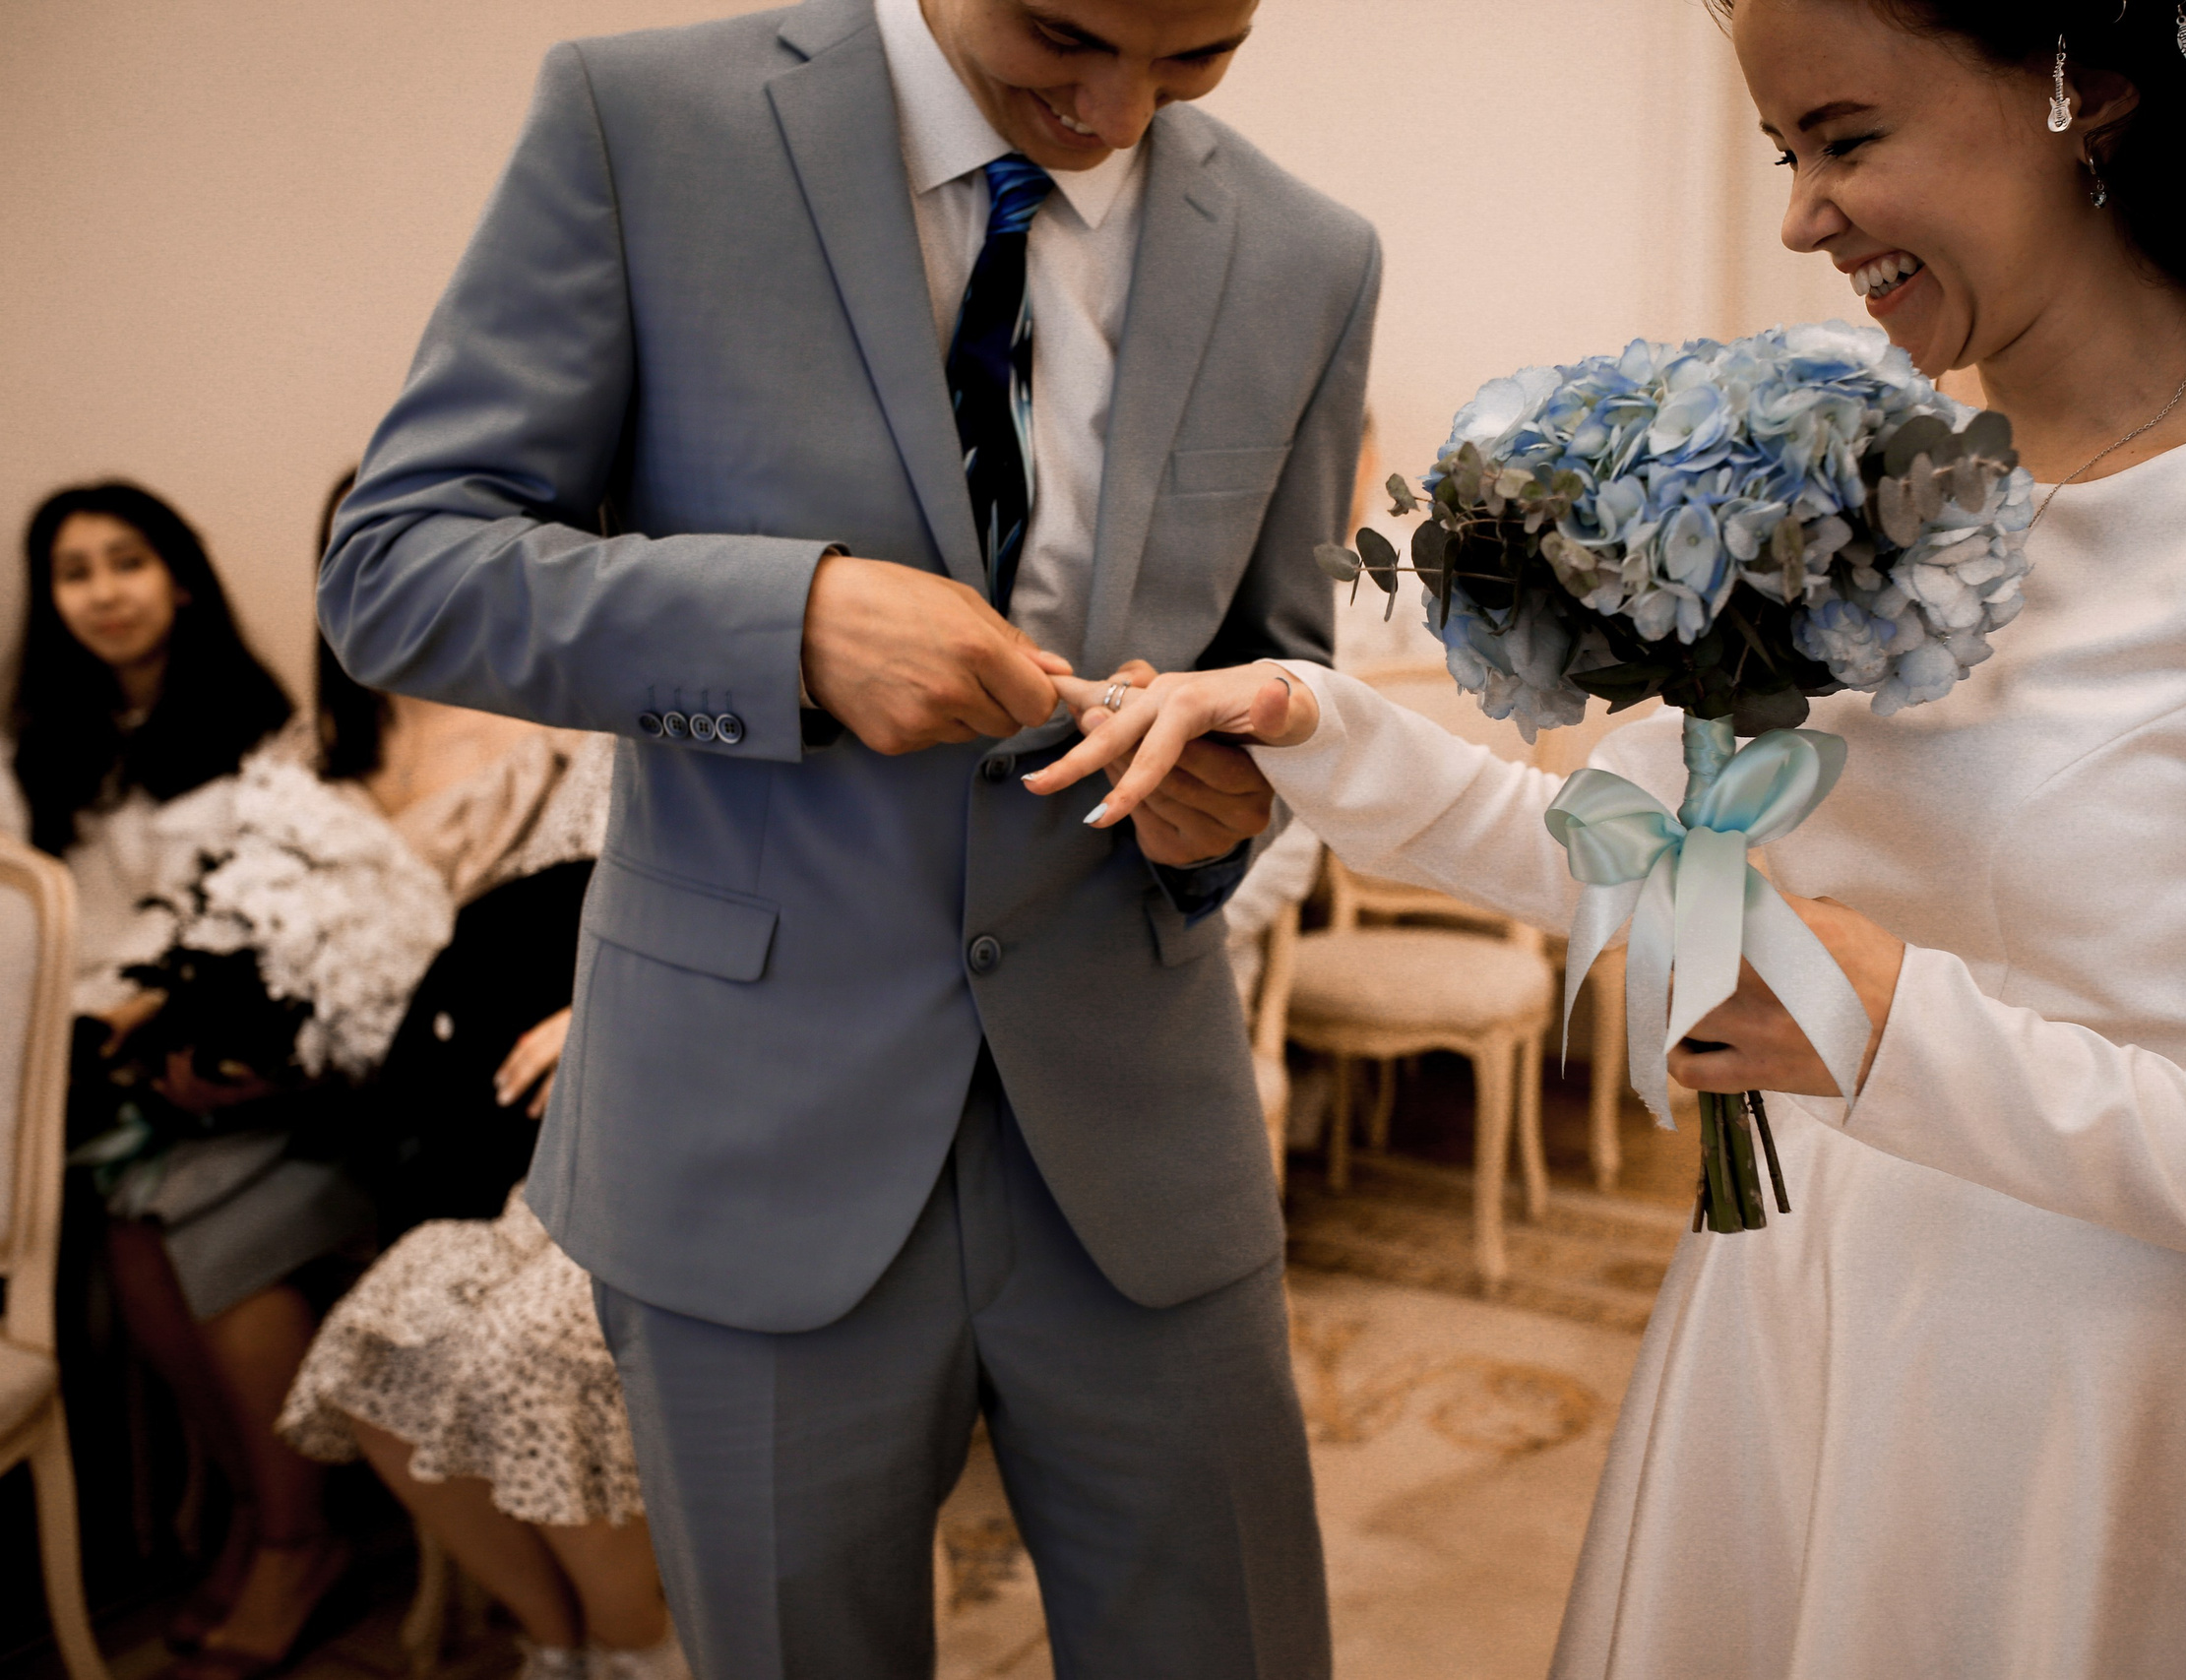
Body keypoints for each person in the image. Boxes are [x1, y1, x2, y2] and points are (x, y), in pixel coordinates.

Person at [1023, 1, 2186, 1673]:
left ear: (2080, 94)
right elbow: (1642, 855)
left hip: (2081, 1424)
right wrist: (1316, 734)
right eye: (1783, 153)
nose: (1803, 215)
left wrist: (1898, 1032)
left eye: (1848, 138)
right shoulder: (1907, 476)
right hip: (1778, 1328)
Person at [317, 0, 1379, 1672]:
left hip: (1137, 1141)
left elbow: (1282, 671)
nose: (1112, 110)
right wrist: (786, 623)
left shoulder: (1313, 255)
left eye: (1196, 59)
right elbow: (397, 567)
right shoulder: (638, 122)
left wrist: (1228, 803)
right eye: (1062, 31)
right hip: (743, 1129)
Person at [284, 473, 686, 1680]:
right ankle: (558, 1646)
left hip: (698, 1124)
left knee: (534, 1345)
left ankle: (645, 1648)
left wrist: (620, 1021)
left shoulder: (688, 701)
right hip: (561, 1148)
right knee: (387, 1328)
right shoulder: (582, 735)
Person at [8, 482, 361, 1678]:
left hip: (232, 1077)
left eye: (128, 561)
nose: (104, 592)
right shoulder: (36, 754)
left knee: (176, 1211)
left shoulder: (268, 740)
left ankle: (292, 1535)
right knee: (126, 1238)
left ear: (183, 579)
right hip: (94, 1074)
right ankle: (269, 1526)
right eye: (74, 571)